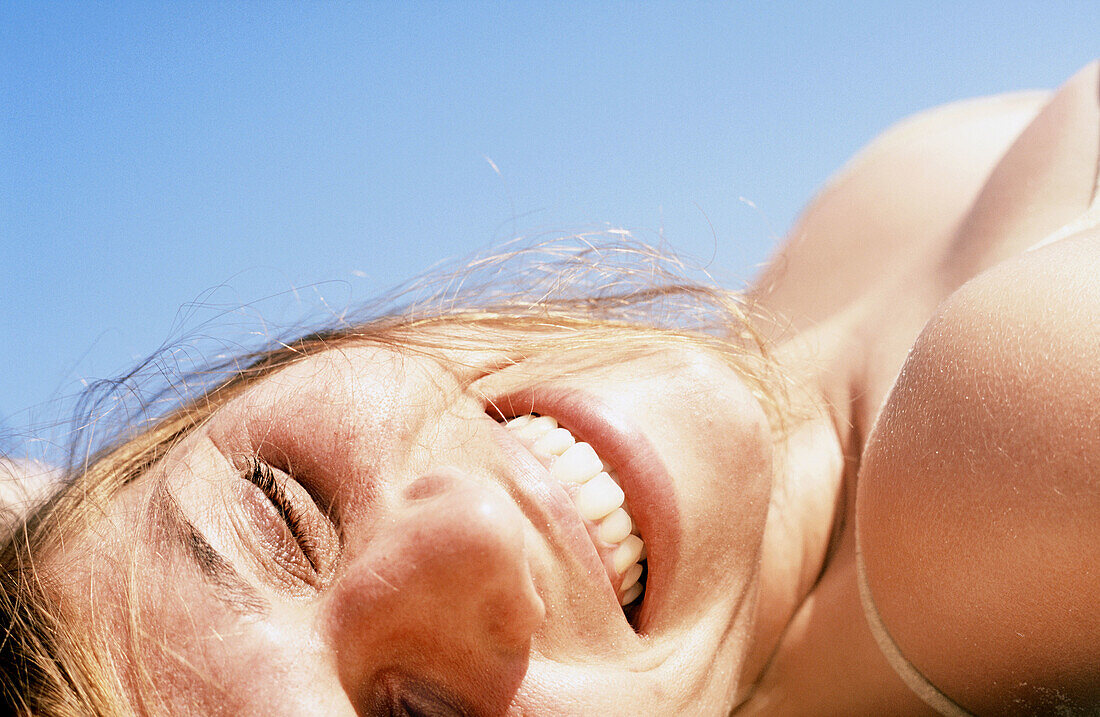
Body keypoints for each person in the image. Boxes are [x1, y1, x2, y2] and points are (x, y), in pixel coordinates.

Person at [1, 60, 1097, 717]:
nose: (475, 524)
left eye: (279, 512)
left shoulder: (797, 368)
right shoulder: (1012, 460)